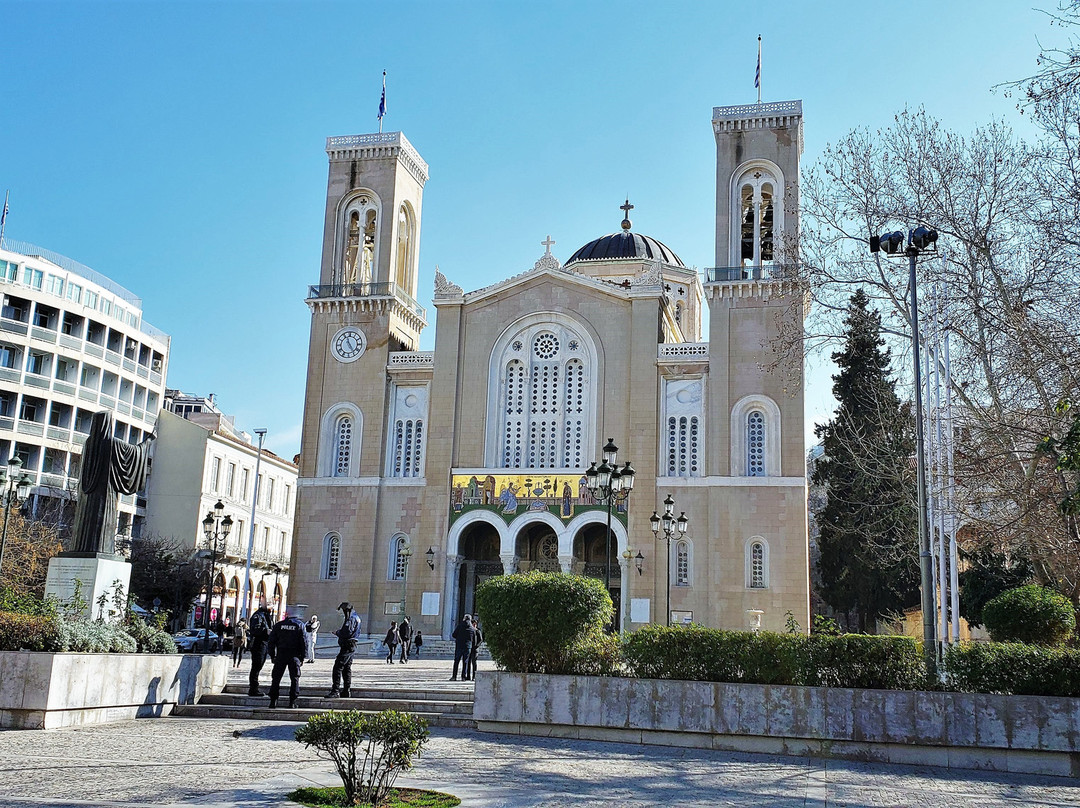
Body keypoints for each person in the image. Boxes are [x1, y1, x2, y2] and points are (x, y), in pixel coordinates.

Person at [267, 608, 307, 709]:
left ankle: (273, 701)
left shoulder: (279, 625)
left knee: (276, 678)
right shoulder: (300, 625)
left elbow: (271, 642)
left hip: (281, 654)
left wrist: (272, 655)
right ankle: (292, 702)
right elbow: (304, 642)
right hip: (294, 655)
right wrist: (303, 657)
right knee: (295, 678)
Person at [326, 601, 362, 698]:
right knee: (346, 668)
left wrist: (337, 632)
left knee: (338, 667)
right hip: (352, 644)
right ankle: (346, 690)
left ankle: (335, 690)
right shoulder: (356, 617)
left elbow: (347, 632)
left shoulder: (351, 618)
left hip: (348, 644)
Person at [247, 603, 275, 697]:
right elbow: (255, 629)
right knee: (256, 666)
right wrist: (266, 631)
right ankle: (253, 689)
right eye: (271, 606)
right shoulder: (258, 615)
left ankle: (254, 688)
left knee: (258, 666)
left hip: (264, 643)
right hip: (258, 644)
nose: (272, 608)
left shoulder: (266, 615)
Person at [450, 614, 475, 681]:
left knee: (456, 661)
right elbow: (473, 639)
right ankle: (463, 677)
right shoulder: (472, 628)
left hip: (459, 646)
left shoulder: (460, 626)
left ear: (464, 619)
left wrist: (459, 638)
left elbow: (454, 635)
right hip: (468, 647)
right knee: (465, 662)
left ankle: (454, 676)